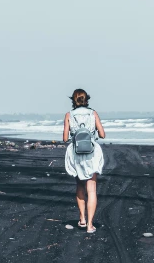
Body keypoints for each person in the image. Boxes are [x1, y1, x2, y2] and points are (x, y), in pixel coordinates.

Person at [62, 88, 106, 233]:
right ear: (86, 99)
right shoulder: (93, 113)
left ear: (73, 100)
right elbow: (102, 134)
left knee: (80, 186)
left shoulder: (69, 115)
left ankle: (82, 219)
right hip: (92, 153)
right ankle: (90, 225)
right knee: (91, 189)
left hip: (76, 153)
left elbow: (65, 138)